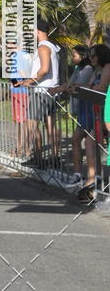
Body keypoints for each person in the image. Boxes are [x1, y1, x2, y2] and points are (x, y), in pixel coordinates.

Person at [49, 45, 93, 186]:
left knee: (81, 141)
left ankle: (87, 177)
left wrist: (66, 88)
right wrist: (57, 89)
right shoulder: (78, 69)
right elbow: (70, 84)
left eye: (74, 55)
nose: (71, 57)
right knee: (82, 142)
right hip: (81, 110)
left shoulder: (87, 69)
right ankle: (80, 175)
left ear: (83, 56)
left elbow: (76, 87)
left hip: (89, 109)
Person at [18, 18, 60, 164]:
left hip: (42, 92)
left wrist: (28, 82)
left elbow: (44, 69)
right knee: (50, 127)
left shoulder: (43, 47)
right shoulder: (52, 46)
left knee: (32, 124)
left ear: (37, 31)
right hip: (50, 91)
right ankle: (54, 158)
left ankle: (38, 159)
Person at [74, 44, 110, 203]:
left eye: (94, 55)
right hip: (97, 111)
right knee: (90, 142)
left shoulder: (108, 67)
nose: (91, 58)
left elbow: (101, 88)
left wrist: (90, 87)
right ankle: (94, 178)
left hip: (104, 111)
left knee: (92, 142)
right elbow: (90, 85)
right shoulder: (97, 70)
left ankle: (97, 179)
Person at [8, 41, 33, 158]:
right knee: (18, 121)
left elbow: (24, 73)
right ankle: (20, 147)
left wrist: (16, 82)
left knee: (22, 122)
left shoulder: (21, 55)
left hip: (21, 92)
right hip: (16, 91)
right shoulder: (16, 56)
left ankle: (24, 149)